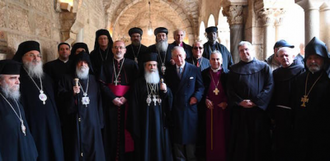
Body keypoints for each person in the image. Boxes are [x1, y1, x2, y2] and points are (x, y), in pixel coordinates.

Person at [12, 40, 64, 161]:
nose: (36, 58)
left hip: (51, 125)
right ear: (22, 57)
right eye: (31, 55)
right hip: (33, 125)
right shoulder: (19, 80)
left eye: (38, 56)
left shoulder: (46, 78)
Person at [227, 41, 273, 161]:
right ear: (239, 53)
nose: (244, 52)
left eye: (247, 49)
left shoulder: (264, 67)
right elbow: (230, 90)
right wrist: (239, 102)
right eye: (241, 50)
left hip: (258, 112)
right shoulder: (233, 69)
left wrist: (256, 102)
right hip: (240, 112)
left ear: (252, 50)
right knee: (242, 140)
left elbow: (269, 86)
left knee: (258, 141)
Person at [57, 51, 105, 161]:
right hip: (74, 122)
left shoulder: (93, 80)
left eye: (85, 62)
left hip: (92, 122)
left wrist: (100, 122)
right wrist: (71, 94)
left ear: (89, 65)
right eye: (79, 62)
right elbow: (60, 98)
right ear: (75, 64)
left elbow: (99, 102)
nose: (82, 65)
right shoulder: (67, 79)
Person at [128, 52, 173, 161]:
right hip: (144, 122)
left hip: (159, 120)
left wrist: (166, 91)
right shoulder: (138, 83)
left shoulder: (162, 81)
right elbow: (134, 105)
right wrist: (136, 124)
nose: (152, 67)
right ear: (145, 67)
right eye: (149, 65)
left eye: (154, 65)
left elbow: (169, 98)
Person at [99, 40, 139, 161]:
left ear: (125, 50)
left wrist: (126, 97)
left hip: (127, 103)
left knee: (127, 129)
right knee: (111, 131)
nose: (118, 50)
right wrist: (113, 98)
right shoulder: (105, 64)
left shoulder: (132, 64)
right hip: (110, 104)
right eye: (115, 47)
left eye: (121, 47)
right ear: (112, 50)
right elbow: (102, 84)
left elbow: (136, 84)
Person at [291, 37, 330, 160]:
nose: (313, 61)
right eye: (309, 58)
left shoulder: (328, 80)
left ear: (324, 60)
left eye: (316, 58)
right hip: (301, 131)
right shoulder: (300, 78)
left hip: (323, 132)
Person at [165, 46, 204, 161]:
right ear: (172, 58)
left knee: (190, 135)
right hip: (175, 108)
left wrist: (196, 98)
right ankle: (179, 158)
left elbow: (200, 87)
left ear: (185, 56)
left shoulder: (194, 69)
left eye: (181, 55)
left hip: (190, 108)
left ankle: (191, 158)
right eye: (176, 56)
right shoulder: (169, 71)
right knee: (177, 135)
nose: (179, 58)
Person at [270, 47, 305, 161]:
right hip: (279, 114)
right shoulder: (276, 73)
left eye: (287, 55)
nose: (284, 58)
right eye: (281, 56)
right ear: (278, 58)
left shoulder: (301, 71)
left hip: (295, 114)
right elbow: (273, 94)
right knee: (279, 142)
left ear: (293, 57)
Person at [0, 59, 38, 161]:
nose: (18, 82)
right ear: (0, 81)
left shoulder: (15, 99)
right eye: (13, 78)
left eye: (18, 78)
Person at [201, 50, 230, 161]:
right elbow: (200, 89)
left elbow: (231, 91)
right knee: (210, 136)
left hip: (223, 110)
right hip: (209, 110)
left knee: (222, 135)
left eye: (218, 59)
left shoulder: (227, 74)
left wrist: (226, 102)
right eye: (213, 59)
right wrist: (205, 100)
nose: (215, 61)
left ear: (222, 61)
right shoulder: (204, 74)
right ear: (209, 61)